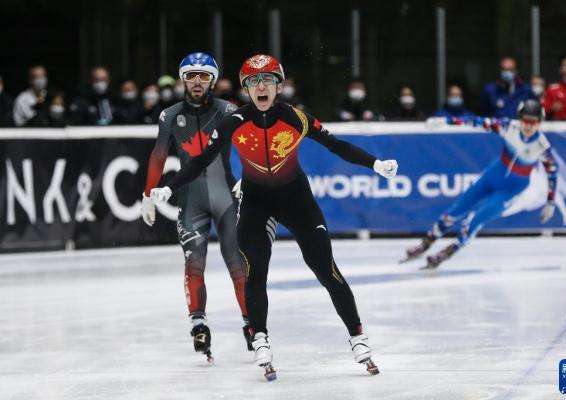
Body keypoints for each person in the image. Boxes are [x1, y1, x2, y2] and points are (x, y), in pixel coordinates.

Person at [150, 54, 398, 379]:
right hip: (256, 202)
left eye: (268, 80)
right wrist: (168, 188)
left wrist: (375, 165)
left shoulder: (296, 118)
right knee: (255, 273)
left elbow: (335, 145)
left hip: (297, 200)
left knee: (326, 269)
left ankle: (358, 337)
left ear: (279, 86)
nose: (261, 87)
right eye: (254, 82)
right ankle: (261, 339)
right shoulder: (233, 122)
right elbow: (199, 161)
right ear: (246, 89)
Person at [141, 52, 250, 363]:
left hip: (227, 197)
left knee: (238, 265)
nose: (198, 81)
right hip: (192, 202)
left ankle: (250, 323)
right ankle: (198, 324)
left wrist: (249, 177)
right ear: (182, 79)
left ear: (213, 80)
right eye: (191, 75)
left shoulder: (229, 110)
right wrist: (148, 194)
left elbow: (248, 144)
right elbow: (159, 156)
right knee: (194, 263)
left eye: (204, 76)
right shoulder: (169, 116)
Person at [404, 100, 557, 268]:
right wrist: (446, 121)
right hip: (492, 176)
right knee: (453, 213)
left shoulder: (542, 146)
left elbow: (552, 172)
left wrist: (550, 202)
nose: (528, 126)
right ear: (519, 119)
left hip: (511, 190)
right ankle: (426, 243)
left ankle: (447, 252)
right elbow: (476, 122)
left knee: (473, 222)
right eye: (525, 121)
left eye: (533, 122)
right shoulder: (508, 127)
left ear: (540, 122)